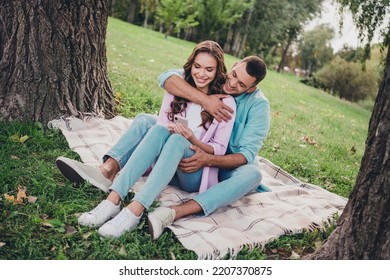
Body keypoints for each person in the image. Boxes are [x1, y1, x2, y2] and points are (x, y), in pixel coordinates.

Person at [57, 40, 236, 238]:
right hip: (167, 162)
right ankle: (112, 200)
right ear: (190, 64)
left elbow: (219, 149)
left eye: (209, 69)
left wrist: (192, 139)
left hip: (193, 170)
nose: (201, 74)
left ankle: (135, 210)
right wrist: (173, 128)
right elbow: (161, 125)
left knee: (177, 140)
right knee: (160, 130)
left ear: (218, 71)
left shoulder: (225, 103)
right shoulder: (178, 88)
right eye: (197, 66)